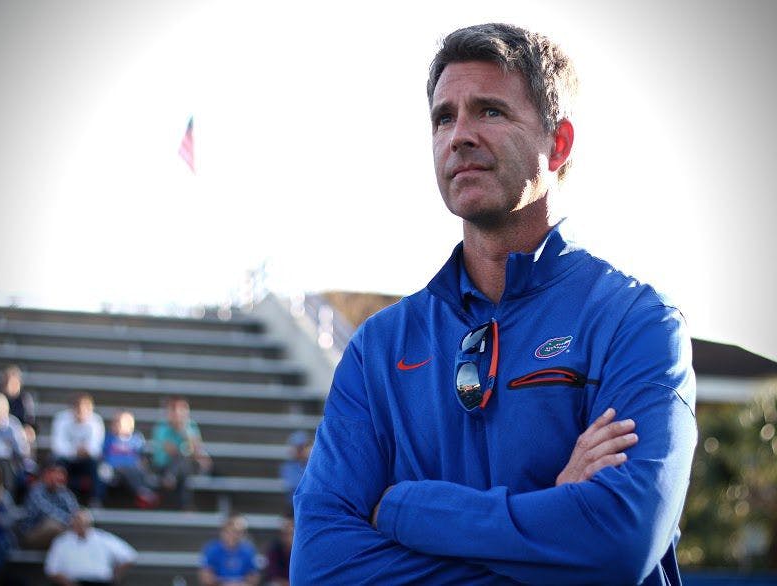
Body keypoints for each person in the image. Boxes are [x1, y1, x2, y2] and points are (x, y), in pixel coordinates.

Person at [291, 23, 697, 585]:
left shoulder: (636, 323)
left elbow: (620, 541)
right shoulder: (378, 350)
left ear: (558, 143)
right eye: (443, 118)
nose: (459, 135)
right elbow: (321, 567)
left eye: (489, 111)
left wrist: (407, 509)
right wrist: (553, 532)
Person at [44, 508, 137, 586]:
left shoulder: (103, 538)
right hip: (71, 583)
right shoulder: (61, 541)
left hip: (100, 583)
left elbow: (129, 555)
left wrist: (114, 577)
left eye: (82, 522)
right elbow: (52, 570)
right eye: (77, 521)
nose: (80, 525)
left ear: (89, 523)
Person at [151, 396, 211, 509]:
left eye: (181, 409)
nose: (178, 413)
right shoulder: (161, 427)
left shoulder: (191, 426)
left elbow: (196, 449)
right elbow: (170, 450)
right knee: (182, 466)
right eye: (174, 409)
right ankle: (186, 506)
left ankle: (171, 477)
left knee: (183, 466)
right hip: (165, 465)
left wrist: (184, 431)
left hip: (182, 467)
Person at [50, 394, 105, 504]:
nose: (81, 412)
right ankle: (57, 499)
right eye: (78, 408)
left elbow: (96, 447)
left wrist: (86, 451)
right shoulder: (61, 419)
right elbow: (57, 446)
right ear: (72, 408)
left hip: (87, 460)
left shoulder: (96, 421)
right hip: (65, 460)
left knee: (99, 468)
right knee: (57, 466)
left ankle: (95, 501)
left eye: (85, 409)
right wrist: (75, 451)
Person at [99, 410, 158, 509]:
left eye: (120, 422)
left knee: (136, 470)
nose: (117, 425)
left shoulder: (136, 438)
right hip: (114, 470)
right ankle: (142, 491)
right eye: (115, 422)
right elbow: (102, 455)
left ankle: (143, 491)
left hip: (133, 470)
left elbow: (142, 456)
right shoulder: (108, 438)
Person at [18, 461, 79, 549]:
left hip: (60, 531)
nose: (57, 477)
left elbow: (75, 512)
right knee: (53, 526)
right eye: (53, 473)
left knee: (81, 524)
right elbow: (47, 513)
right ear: (45, 475)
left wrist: (75, 521)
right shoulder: (36, 490)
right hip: (32, 533)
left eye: (60, 474)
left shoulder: (64, 492)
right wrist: (70, 521)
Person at [198, 514, 259, 586]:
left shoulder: (248, 550)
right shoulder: (212, 549)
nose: (233, 535)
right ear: (222, 532)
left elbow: (254, 577)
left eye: (237, 532)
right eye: (229, 531)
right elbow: (206, 578)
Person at [0, 365, 37, 453]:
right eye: (6, 382)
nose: (8, 385)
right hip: (1, 434)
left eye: (11, 382)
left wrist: (24, 432)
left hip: (19, 434)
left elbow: (30, 423)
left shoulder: (24, 399)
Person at [278, 431, 311, 506]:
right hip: (293, 506)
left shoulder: (314, 465)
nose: (301, 451)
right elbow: (293, 485)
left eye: (304, 447)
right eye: (299, 448)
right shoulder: (287, 467)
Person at [263, 513, 293, 586]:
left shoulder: (302, 550)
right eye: (285, 533)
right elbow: (273, 576)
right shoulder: (274, 548)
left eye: (290, 533)